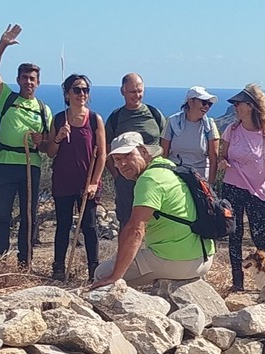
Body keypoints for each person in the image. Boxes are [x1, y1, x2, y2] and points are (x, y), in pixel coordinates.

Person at [95, 131, 212, 292]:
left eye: (128, 155)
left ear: (144, 151)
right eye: (117, 159)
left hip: (178, 260)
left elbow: (135, 230)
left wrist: (115, 276)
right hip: (204, 257)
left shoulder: (149, 179)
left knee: (102, 273)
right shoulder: (168, 166)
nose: (122, 164)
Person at [0, 25, 51, 270]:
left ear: (38, 82)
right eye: (24, 77)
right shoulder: (6, 97)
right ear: (18, 80)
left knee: (29, 216)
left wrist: (42, 142)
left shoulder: (44, 110)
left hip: (30, 167)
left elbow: (48, 147)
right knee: (2, 215)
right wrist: (3, 44)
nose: (28, 81)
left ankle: (25, 263)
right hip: (5, 164)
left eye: (32, 78)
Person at [215, 86, 265, 293]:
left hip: (257, 191)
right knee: (234, 234)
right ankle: (237, 283)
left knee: (259, 236)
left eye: (239, 104)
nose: (235, 107)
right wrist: (222, 162)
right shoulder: (232, 129)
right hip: (232, 186)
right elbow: (222, 155)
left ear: (251, 106)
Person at [48, 72, 107, 281]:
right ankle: (58, 267)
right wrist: (58, 137)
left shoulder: (94, 119)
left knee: (89, 227)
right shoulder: (58, 119)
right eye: (77, 89)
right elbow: (50, 152)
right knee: (63, 226)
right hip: (63, 181)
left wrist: (94, 183)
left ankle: (94, 270)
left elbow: (102, 154)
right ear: (67, 93)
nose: (82, 94)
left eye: (85, 90)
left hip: (86, 183)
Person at [105, 74, 171, 225]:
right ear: (122, 91)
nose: (137, 95)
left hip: (154, 179)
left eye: (139, 91)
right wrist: (117, 176)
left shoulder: (154, 114)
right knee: (127, 222)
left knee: (157, 221)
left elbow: (166, 144)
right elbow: (107, 150)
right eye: (132, 92)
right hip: (127, 182)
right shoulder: (115, 118)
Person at [167, 88, 222, 171]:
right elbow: (164, 153)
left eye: (209, 104)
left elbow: (213, 158)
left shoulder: (210, 125)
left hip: (200, 176)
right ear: (190, 102)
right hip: (174, 173)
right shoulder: (172, 122)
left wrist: (210, 179)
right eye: (204, 102)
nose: (207, 106)